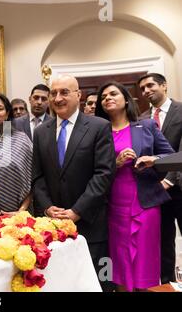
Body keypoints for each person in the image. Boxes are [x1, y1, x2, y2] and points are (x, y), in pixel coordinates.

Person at [32, 75, 116, 291]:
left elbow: (104, 174)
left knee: (96, 282)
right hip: (52, 226)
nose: (57, 98)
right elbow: (37, 176)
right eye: (54, 93)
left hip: (90, 224)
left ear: (78, 95)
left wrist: (77, 211)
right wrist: (47, 207)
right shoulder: (41, 132)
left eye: (64, 92)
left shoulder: (99, 127)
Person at [95, 81, 174, 291]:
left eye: (113, 94)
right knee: (118, 260)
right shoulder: (97, 131)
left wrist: (153, 159)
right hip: (112, 205)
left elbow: (172, 156)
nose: (107, 98)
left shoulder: (146, 126)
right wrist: (116, 163)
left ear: (125, 99)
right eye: (103, 97)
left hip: (145, 203)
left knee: (145, 258)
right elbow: (91, 169)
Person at [138, 73, 182, 284]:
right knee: (164, 242)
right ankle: (167, 283)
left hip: (179, 186)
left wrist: (169, 180)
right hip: (156, 192)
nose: (146, 91)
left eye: (150, 85)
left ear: (164, 85)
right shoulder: (142, 119)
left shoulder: (181, 110)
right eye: (143, 88)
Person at [0, 94, 33, 213]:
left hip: (18, 214)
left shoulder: (21, 139)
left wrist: (21, 212)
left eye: (0, 108)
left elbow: (33, 179)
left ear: (7, 114)